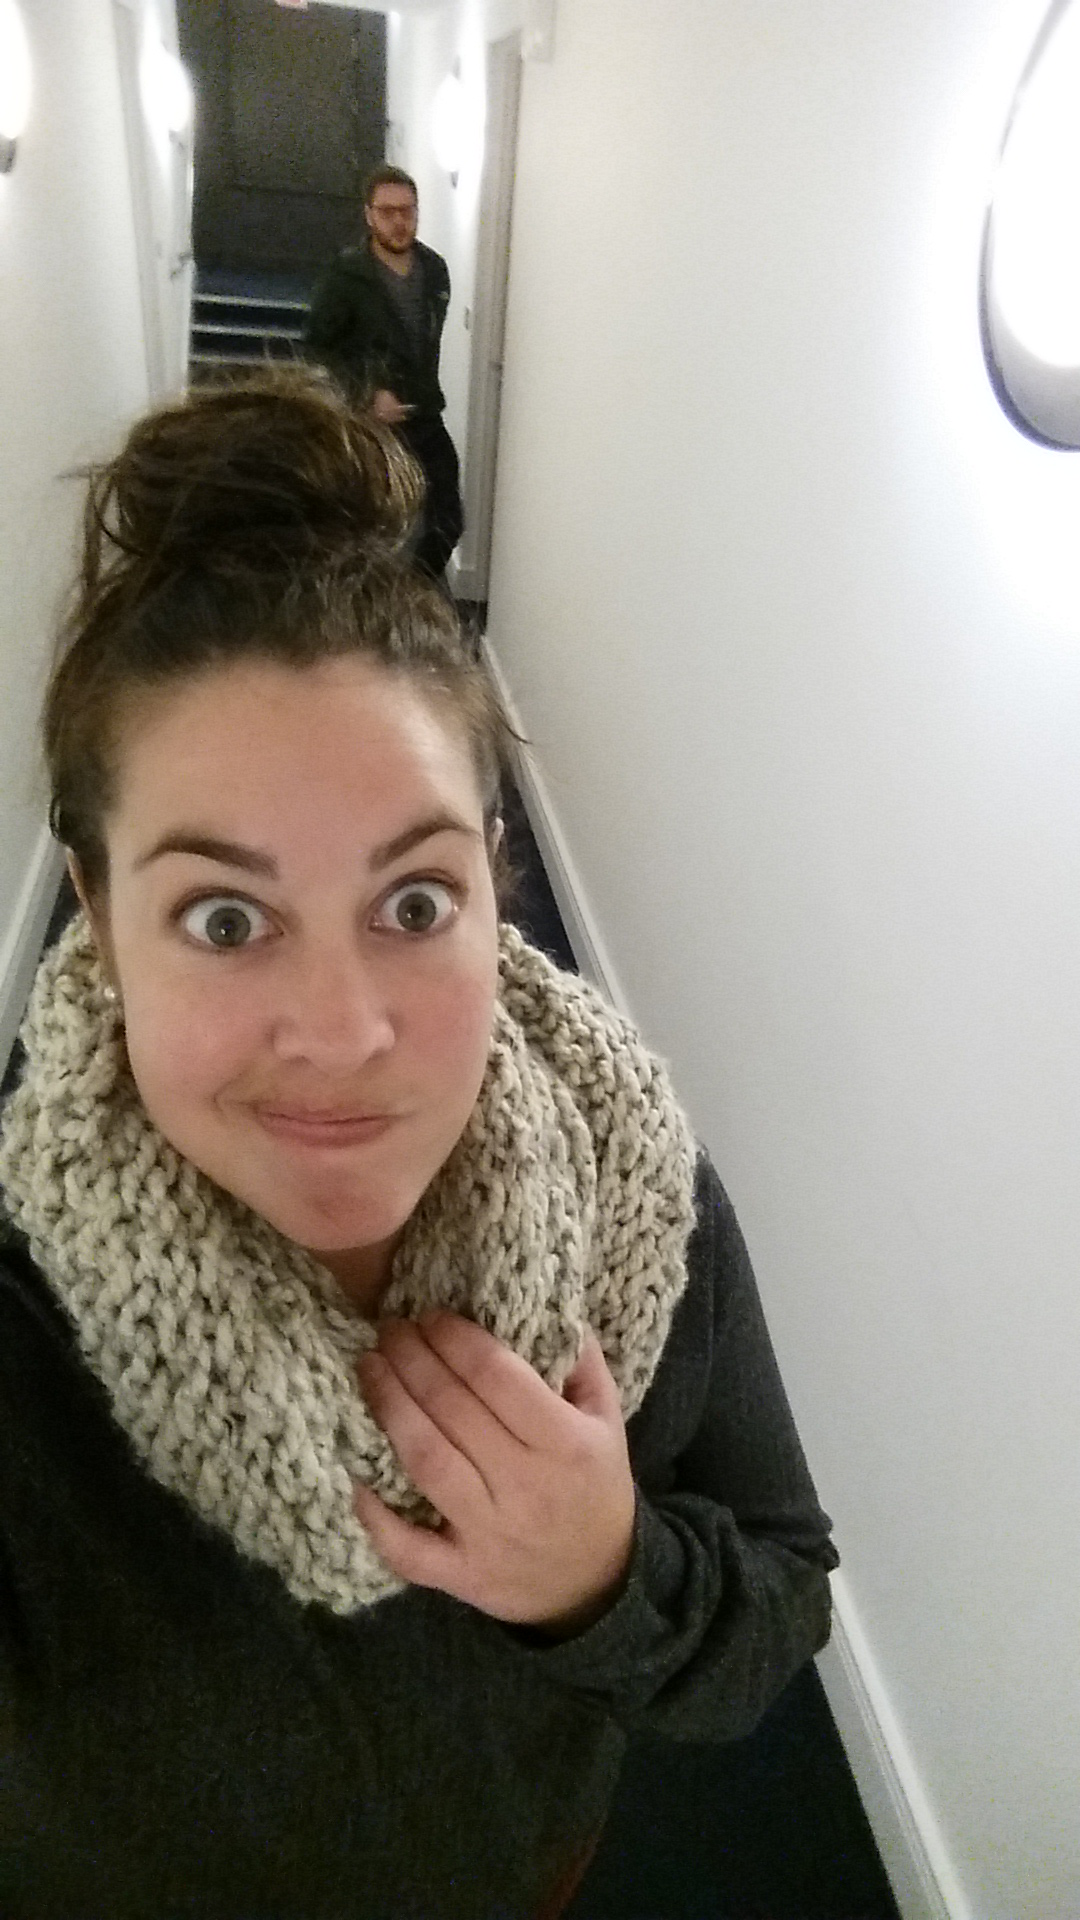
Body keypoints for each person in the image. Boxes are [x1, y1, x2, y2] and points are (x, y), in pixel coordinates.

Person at [0, 368, 838, 1920]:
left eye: (411, 901)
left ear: (492, 878)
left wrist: (605, 1578)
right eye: (226, 918)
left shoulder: (638, 1188)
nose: (344, 1033)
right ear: (97, 915)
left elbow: (779, 1600)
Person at [305, 163, 465, 584]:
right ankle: (367, 595)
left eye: (407, 211)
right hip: (368, 424)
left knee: (447, 517)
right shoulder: (345, 276)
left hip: (423, 413)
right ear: (369, 214)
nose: (399, 221)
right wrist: (366, 392)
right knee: (370, 522)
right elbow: (317, 351)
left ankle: (410, 589)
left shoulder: (434, 270)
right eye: (388, 211)